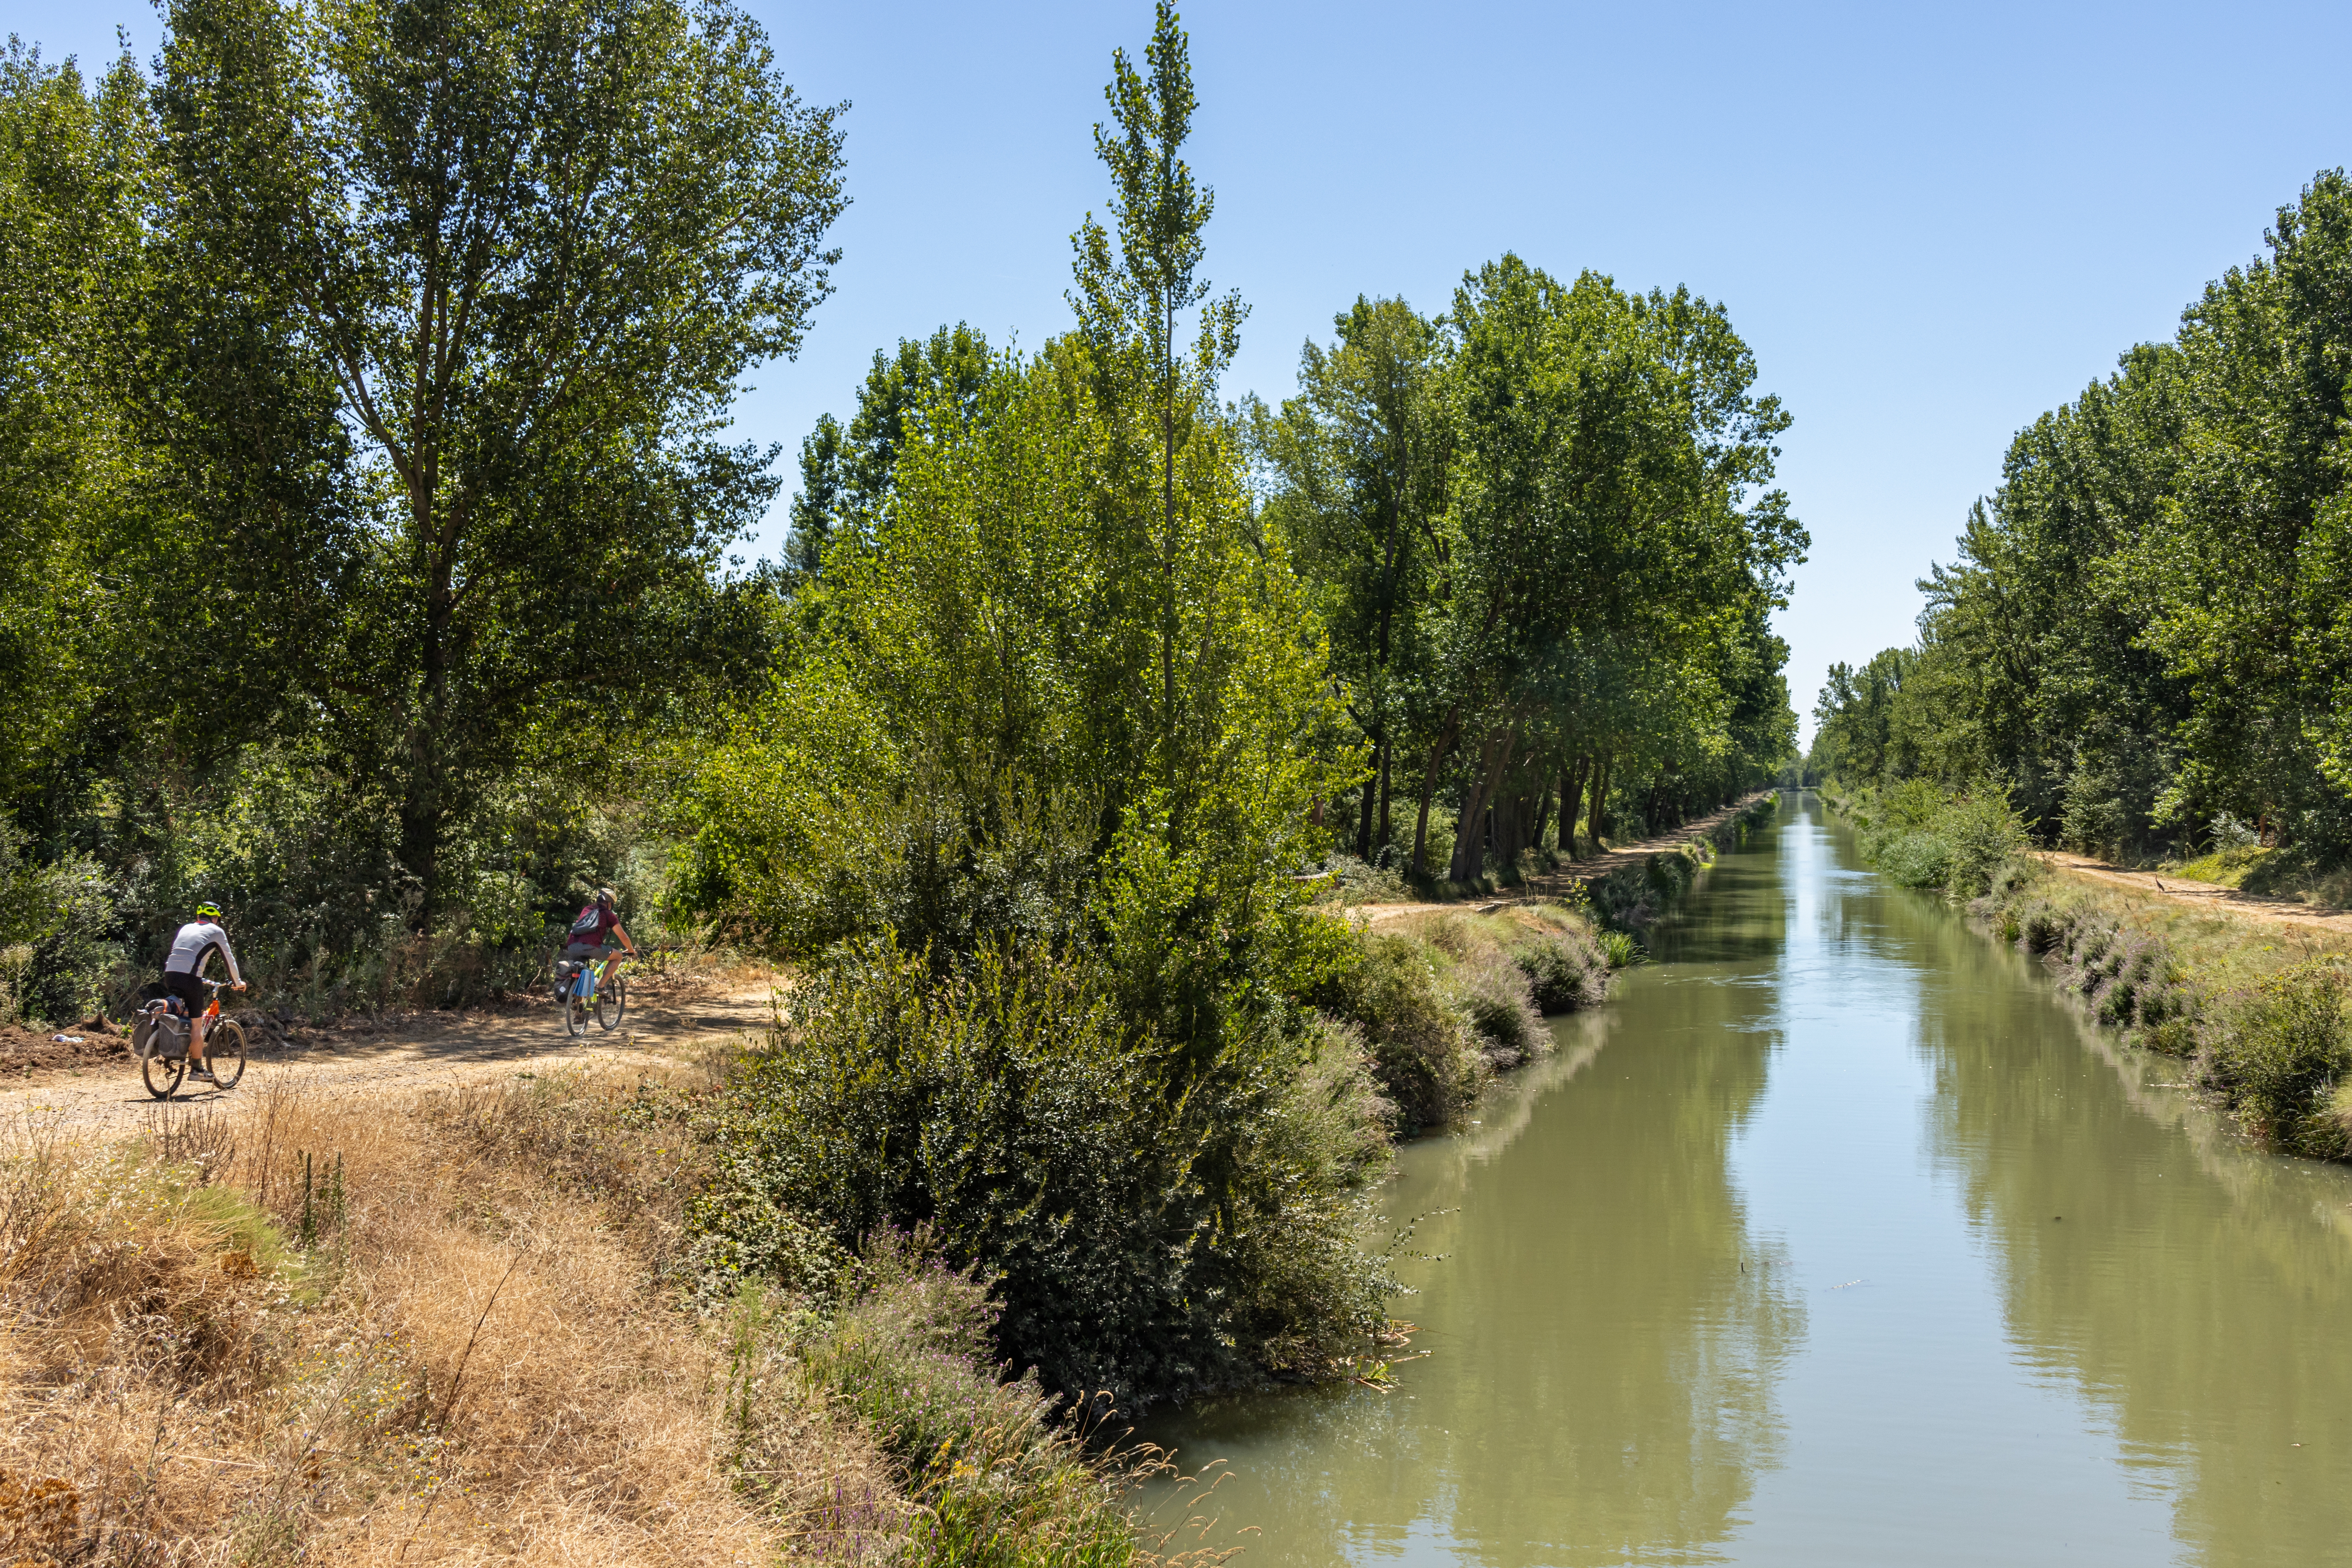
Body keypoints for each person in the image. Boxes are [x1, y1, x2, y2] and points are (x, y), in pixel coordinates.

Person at [164, 902, 246, 1083]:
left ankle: (168, 1047)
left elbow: (183, 954)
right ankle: (197, 1070)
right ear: (215, 918)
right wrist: (238, 982)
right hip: (191, 978)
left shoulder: (186, 928)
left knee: (180, 1010)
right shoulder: (216, 931)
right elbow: (229, 959)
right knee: (197, 1025)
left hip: (170, 974)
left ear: (198, 917)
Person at [559, 888, 637, 998]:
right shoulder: (609, 915)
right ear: (610, 903)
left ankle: (578, 1005)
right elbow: (623, 937)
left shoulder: (587, 909)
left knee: (581, 970)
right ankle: (600, 986)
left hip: (572, 946)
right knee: (618, 956)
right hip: (591, 947)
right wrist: (631, 950)